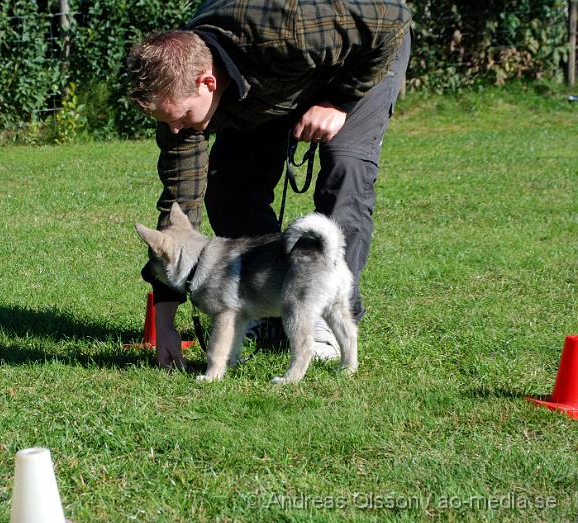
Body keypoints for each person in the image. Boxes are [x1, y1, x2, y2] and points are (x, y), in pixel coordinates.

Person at [127, 0, 412, 370]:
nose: (175, 130)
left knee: (346, 168)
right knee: (228, 184)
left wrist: (339, 100)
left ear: (207, 82)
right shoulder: (179, 89)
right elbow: (177, 214)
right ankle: (273, 306)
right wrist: (165, 321)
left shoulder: (288, 26)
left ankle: (323, 311)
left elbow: (393, 18)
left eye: (180, 118)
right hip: (267, 89)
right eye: (166, 121)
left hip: (361, 60)